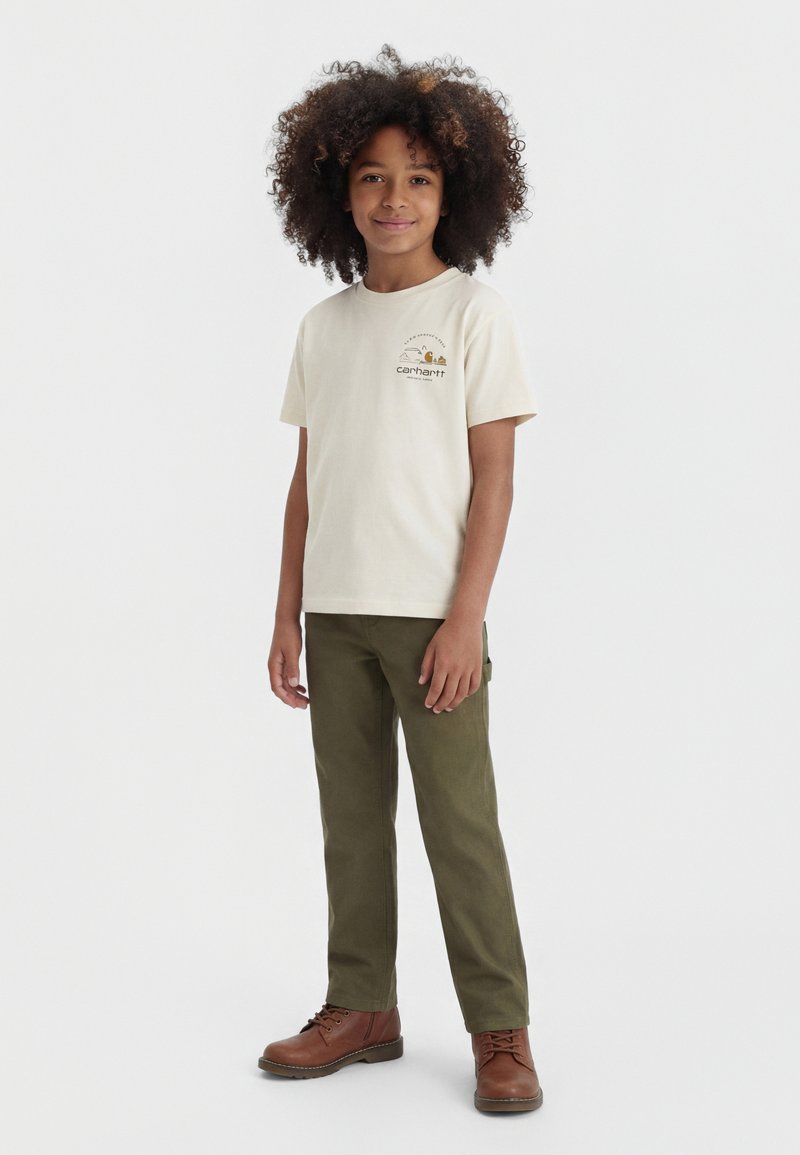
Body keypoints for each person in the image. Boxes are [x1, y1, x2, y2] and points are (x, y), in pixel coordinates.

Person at [259, 44, 544, 1114]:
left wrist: (465, 618)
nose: (394, 197)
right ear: (338, 192)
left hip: (433, 622)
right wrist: (286, 613)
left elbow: (495, 480)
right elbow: (308, 480)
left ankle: (500, 1028)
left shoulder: (473, 316)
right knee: (351, 821)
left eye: (418, 178)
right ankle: (361, 1006)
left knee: (460, 827)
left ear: (451, 194)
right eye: (373, 176)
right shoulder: (323, 328)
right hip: (335, 614)